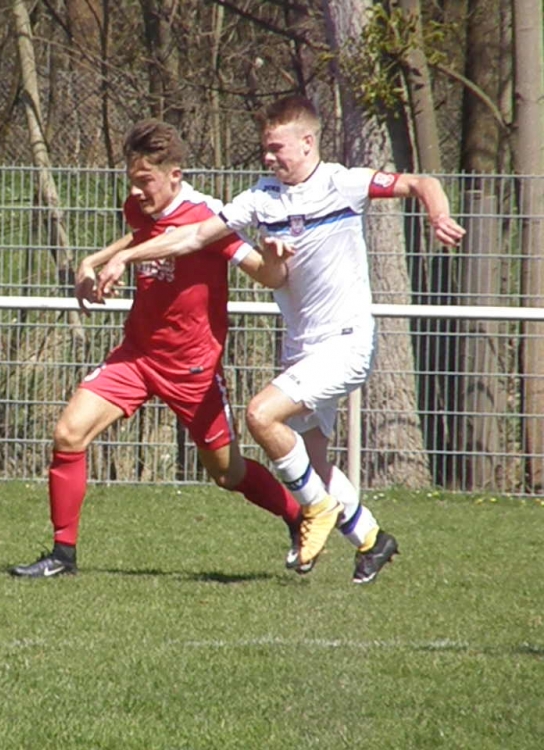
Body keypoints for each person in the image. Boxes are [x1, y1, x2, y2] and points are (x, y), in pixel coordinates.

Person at [95, 95, 466, 583]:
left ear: (307, 142)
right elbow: (192, 237)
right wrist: (124, 256)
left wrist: (437, 214)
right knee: (312, 462)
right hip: (302, 345)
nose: (268, 157)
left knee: (261, 415)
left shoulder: (342, 183)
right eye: (265, 148)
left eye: (277, 148)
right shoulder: (261, 198)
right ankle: (372, 539)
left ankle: (315, 510)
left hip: (346, 341)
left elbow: (421, 182)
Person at [11, 118, 303, 578]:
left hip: (192, 369)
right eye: (132, 181)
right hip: (137, 355)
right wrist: (94, 260)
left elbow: (265, 275)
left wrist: (273, 259)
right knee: (68, 434)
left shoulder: (209, 218)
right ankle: (62, 556)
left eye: (145, 181)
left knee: (227, 474)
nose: (136, 192)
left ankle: (299, 516)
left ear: (175, 175)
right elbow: (144, 235)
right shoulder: (139, 206)